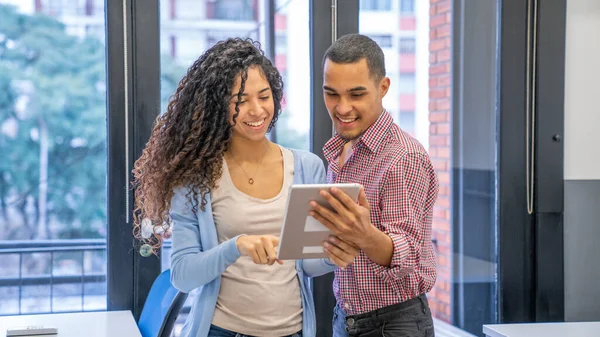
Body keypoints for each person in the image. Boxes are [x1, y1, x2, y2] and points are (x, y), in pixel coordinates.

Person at [131, 38, 358, 337]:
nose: (256, 110)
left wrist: (332, 256)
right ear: (218, 106)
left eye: (264, 96)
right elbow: (183, 275)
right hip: (221, 331)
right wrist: (236, 246)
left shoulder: (307, 167)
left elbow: (303, 264)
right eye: (240, 101)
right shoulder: (196, 179)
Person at [309, 34, 439, 337]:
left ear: (383, 88)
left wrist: (365, 235)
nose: (342, 108)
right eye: (332, 94)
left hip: (395, 323)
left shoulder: (403, 157)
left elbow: (407, 258)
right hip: (346, 317)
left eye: (356, 94)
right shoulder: (340, 151)